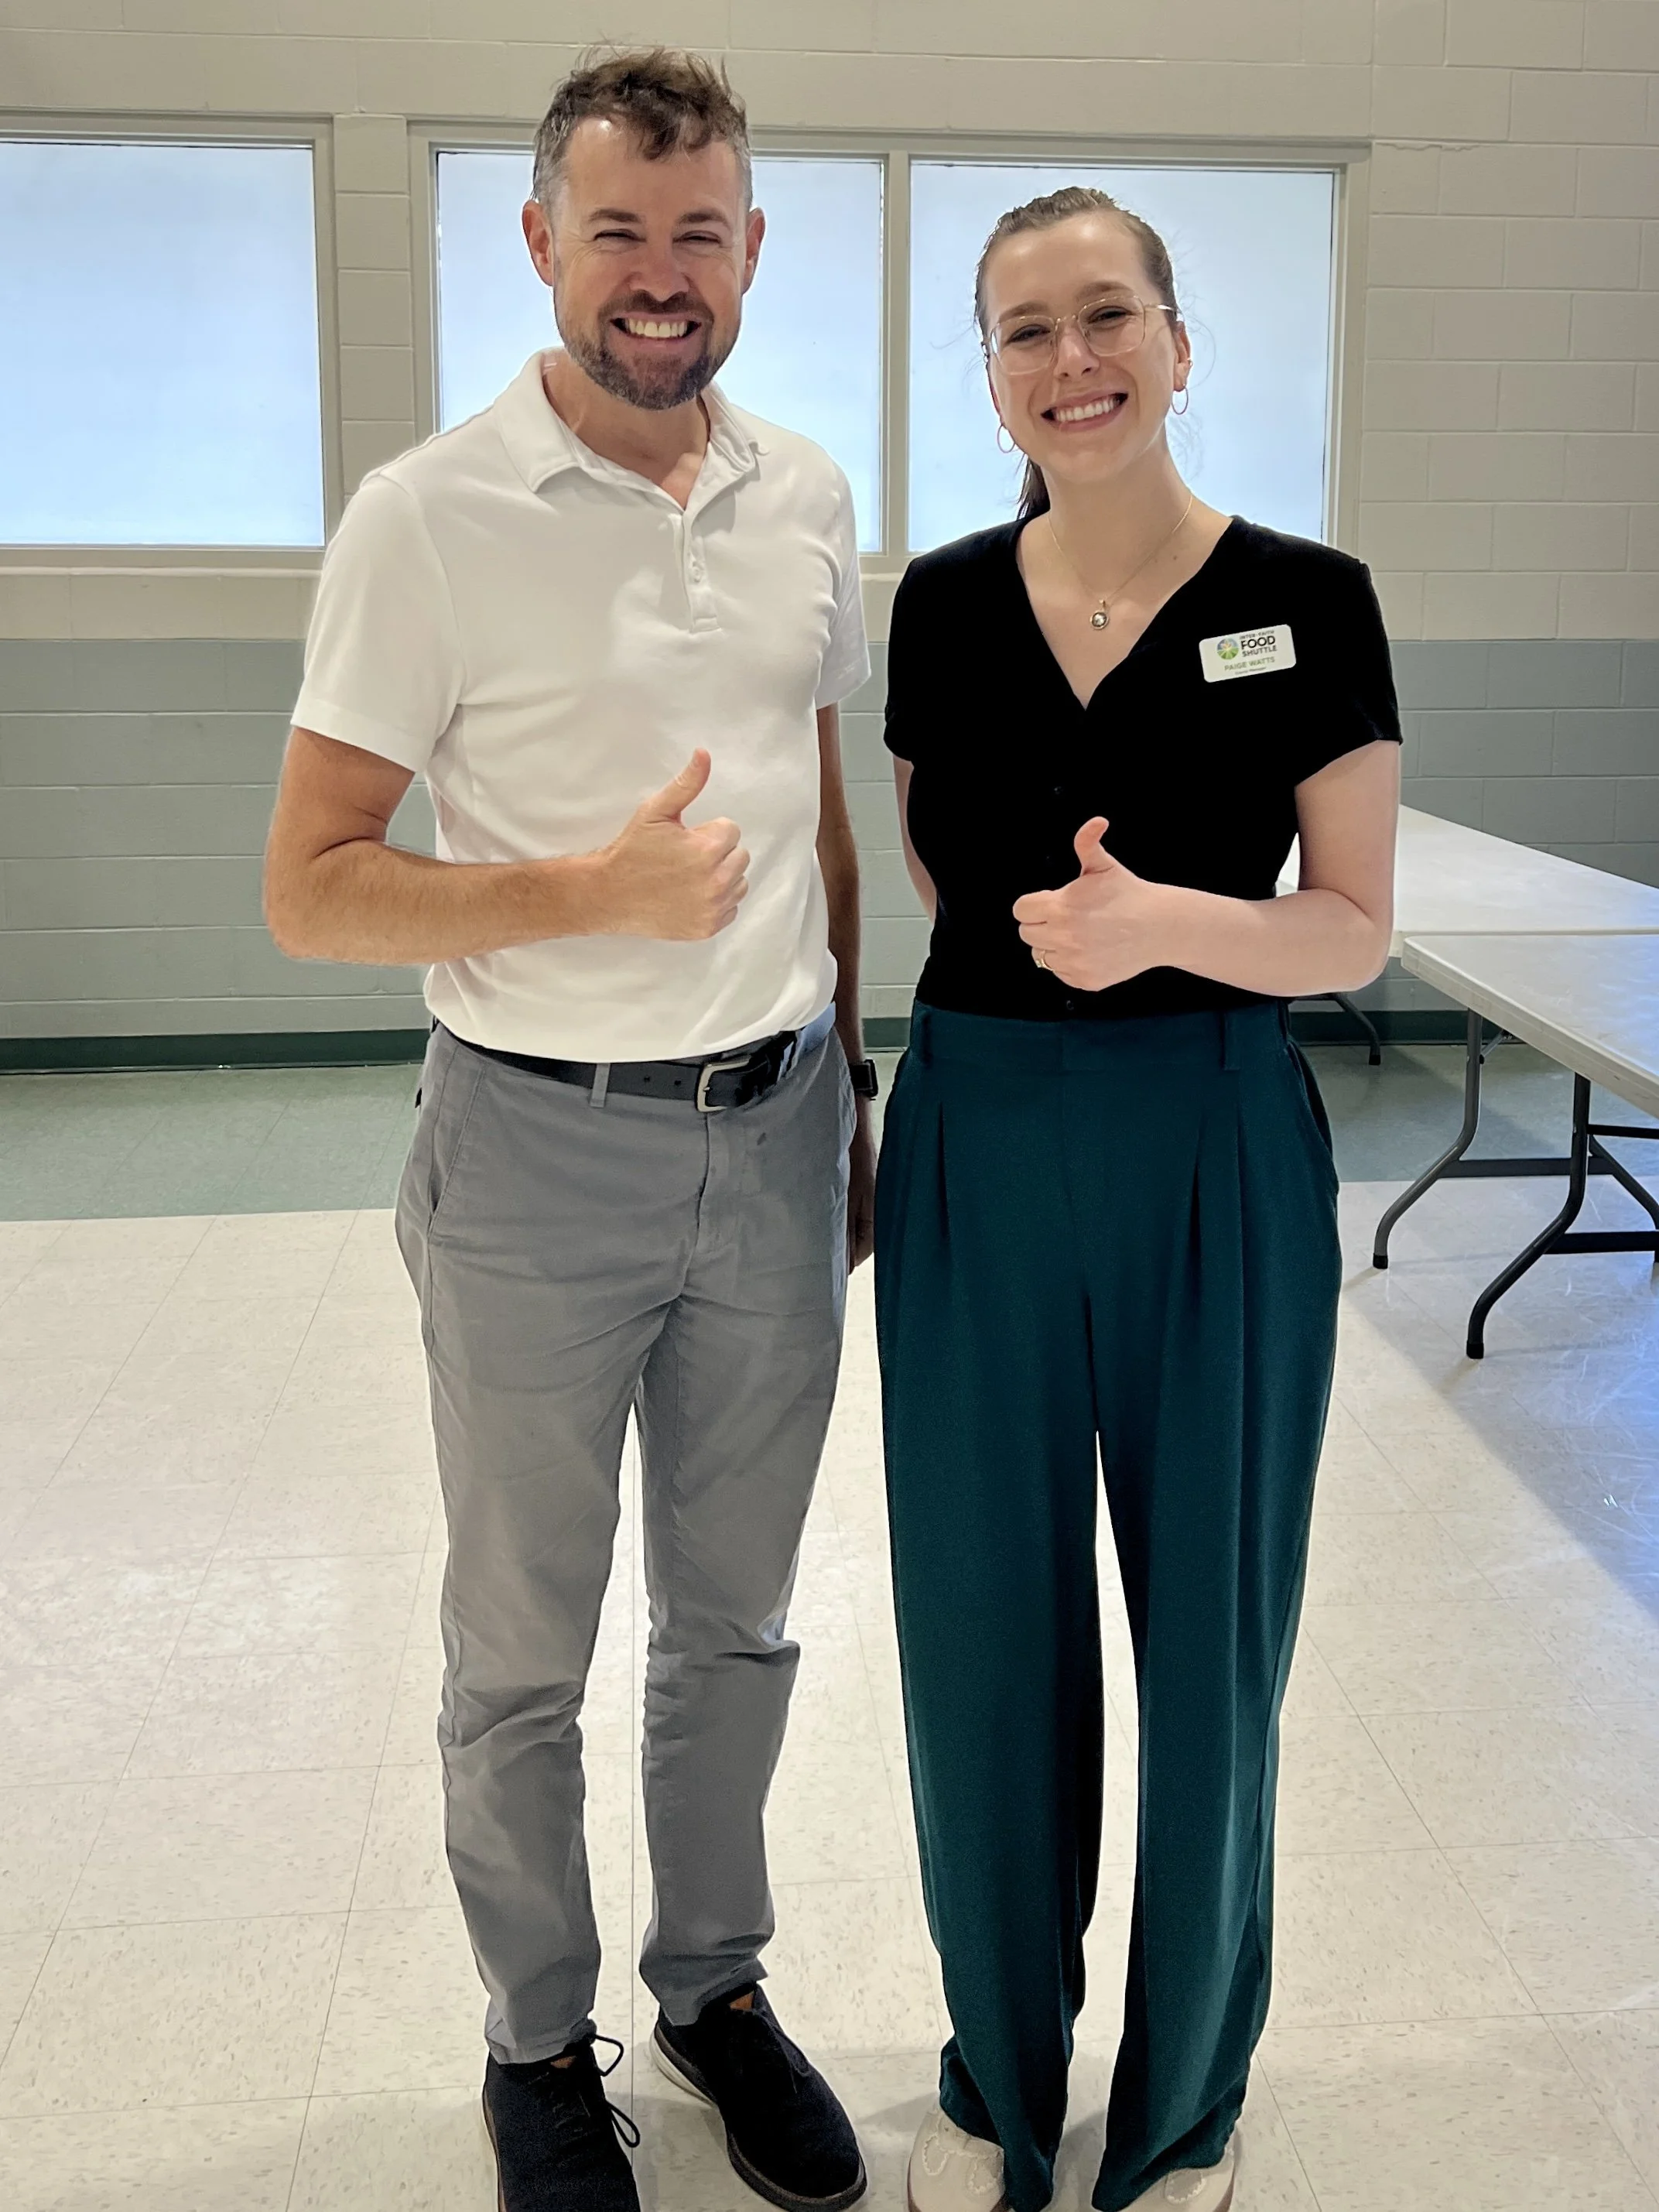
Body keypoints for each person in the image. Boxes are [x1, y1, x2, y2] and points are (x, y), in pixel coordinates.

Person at [264, 49, 879, 2212]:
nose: (658, 273)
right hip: (533, 1157)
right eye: (617, 227)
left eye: (699, 229)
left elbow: (815, 798)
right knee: (522, 1646)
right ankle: (540, 2039)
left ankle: (714, 1985)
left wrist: (851, 1067)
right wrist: (581, 895)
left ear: (750, 253)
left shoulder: (805, 492)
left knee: (741, 1619)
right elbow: (311, 880)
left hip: (784, 1137)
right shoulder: (427, 514)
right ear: (541, 242)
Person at [877, 187, 1401, 2212]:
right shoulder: (936, 602)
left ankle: (1182, 2104)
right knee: (983, 1633)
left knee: (1214, 1639)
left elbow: (1350, 930)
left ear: (1181, 343)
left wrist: (1171, 924)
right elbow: (944, 876)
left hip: (1213, 1141)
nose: (1071, 360)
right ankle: (996, 2078)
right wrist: (1054, 978)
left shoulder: (1311, 597)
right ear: (994, 375)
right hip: (984, 1146)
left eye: (1109, 316)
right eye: (1025, 330)